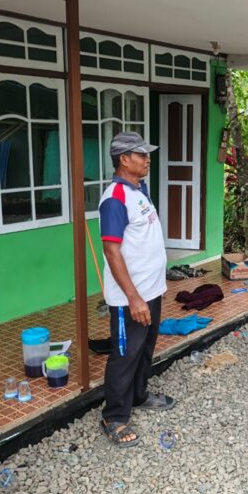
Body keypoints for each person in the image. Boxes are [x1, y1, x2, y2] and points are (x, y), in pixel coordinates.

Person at [98, 132, 175, 448]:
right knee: (124, 355)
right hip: (130, 298)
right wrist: (133, 297)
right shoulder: (115, 197)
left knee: (144, 349)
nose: (147, 159)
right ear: (123, 159)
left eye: (147, 154)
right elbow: (112, 251)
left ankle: (139, 395)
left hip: (150, 291)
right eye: (141, 155)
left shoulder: (138, 191)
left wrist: (155, 287)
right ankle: (114, 417)